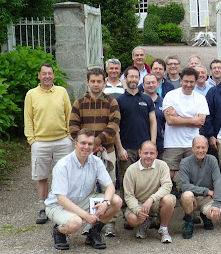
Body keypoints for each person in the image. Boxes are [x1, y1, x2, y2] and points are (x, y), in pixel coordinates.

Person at [46, 129, 122, 250]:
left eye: (90, 144)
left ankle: (93, 233)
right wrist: (86, 216)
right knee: (75, 223)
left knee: (116, 201)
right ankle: (59, 231)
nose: (86, 147)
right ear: (75, 143)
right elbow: (61, 199)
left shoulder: (96, 162)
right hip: (58, 206)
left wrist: (105, 202)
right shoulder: (63, 165)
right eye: (83, 143)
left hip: (83, 200)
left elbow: (110, 186)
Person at [69, 68, 121, 236]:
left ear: (104, 83)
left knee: (109, 185)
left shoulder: (112, 102)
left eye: (99, 81)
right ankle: (89, 221)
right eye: (93, 81)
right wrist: (89, 147)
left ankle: (109, 222)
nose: (96, 84)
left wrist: (96, 142)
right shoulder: (79, 103)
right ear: (87, 82)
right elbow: (73, 128)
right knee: (87, 187)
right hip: (85, 154)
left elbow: (114, 125)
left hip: (106, 151)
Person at [24, 63, 74, 225]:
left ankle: (63, 205)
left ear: (53, 75)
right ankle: (43, 207)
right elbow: (28, 118)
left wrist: (70, 136)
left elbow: (69, 114)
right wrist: (32, 140)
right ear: (39, 76)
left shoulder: (62, 92)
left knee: (64, 175)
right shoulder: (31, 94)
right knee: (41, 176)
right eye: (44, 73)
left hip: (63, 141)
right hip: (40, 142)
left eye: (49, 73)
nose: (47, 76)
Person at [115, 66, 157, 202]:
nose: (134, 79)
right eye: (131, 76)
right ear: (125, 78)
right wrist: (120, 148)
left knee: (148, 180)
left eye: (136, 77)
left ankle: (149, 209)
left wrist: (152, 144)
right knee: (127, 181)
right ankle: (128, 210)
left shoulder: (147, 99)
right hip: (127, 149)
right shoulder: (119, 101)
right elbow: (115, 126)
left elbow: (153, 122)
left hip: (145, 149)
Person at [163, 67, 210, 181]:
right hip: (172, 143)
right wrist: (193, 120)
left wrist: (178, 118)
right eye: (186, 81)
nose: (188, 84)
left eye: (191, 82)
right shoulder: (170, 96)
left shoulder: (201, 99)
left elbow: (200, 123)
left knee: (194, 175)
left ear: (196, 82)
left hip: (192, 143)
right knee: (169, 175)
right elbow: (170, 121)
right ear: (181, 81)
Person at [123, 141, 175, 243]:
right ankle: (143, 223)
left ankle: (163, 228)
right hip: (139, 203)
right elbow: (129, 196)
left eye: (152, 153)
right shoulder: (131, 170)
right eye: (145, 153)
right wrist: (138, 210)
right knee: (132, 219)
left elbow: (167, 186)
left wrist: (152, 199)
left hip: (155, 201)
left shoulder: (162, 165)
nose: (148, 156)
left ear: (156, 154)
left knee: (169, 200)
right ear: (140, 153)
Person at [179, 136, 221, 239]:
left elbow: (217, 181)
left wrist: (217, 204)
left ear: (207, 148)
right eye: (197, 147)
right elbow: (184, 186)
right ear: (192, 148)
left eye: (203, 147)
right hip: (192, 198)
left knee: (214, 215)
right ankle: (189, 221)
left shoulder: (212, 160)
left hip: (207, 199)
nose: (200, 150)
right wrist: (206, 191)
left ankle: (205, 216)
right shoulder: (185, 162)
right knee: (186, 195)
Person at [142, 74, 166, 161]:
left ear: (158, 84)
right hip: (140, 142)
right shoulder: (138, 100)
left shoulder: (164, 102)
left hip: (159, 144)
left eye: (153, 82)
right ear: (143, 85)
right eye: (148, 83)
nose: (151, 85)